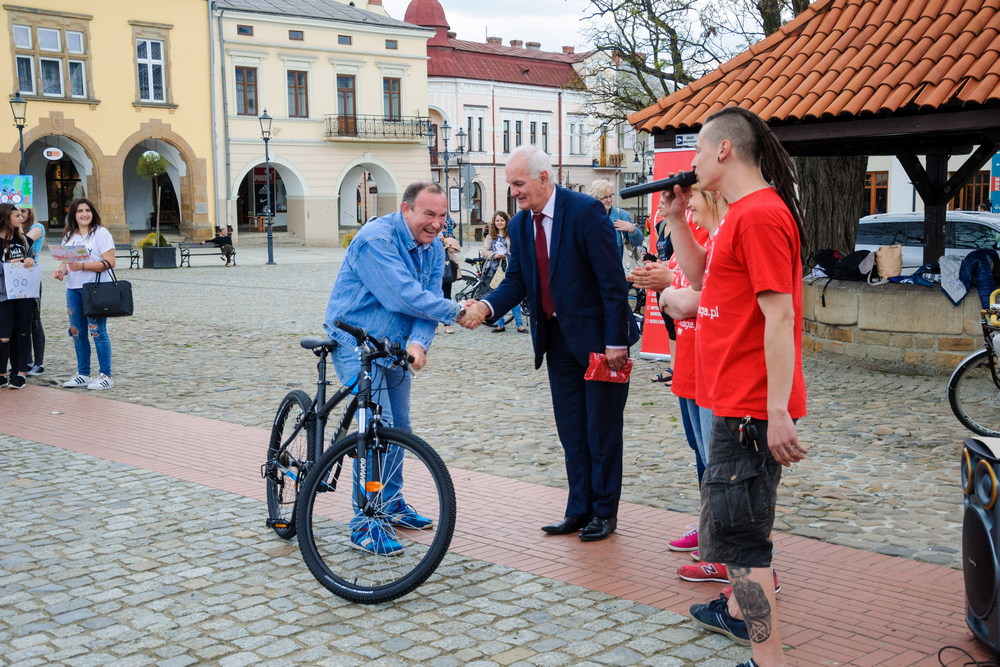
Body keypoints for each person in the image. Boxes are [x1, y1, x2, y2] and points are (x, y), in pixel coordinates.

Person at [663, 107, 808, 667]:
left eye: (698, 149)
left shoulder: (762, 217)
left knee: (746, 551)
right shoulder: (738, 218)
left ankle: (767, 661)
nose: (692, 162)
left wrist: (776, 410)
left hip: (750, 409)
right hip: (733, 399)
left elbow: (779, 317)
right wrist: (677, 219)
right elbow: (706, 283)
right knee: (736, 542)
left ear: (724, 150)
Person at [461, 145, 640, 541]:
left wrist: (615, 341)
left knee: (602, 430)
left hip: (600, 343)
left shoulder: (585, 212)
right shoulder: (523, 225)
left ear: (544, 178)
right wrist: (487, 308)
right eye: (510, 185)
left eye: (519, 184)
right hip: (556, 341)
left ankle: (604, 512)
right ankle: (578, 509)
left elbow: (611, 283)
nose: (515, 193)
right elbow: (517, 281)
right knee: (572, 430)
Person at [323, 181, 470, 555]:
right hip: (353, 342)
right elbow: (402, 295)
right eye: (429, 215)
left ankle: (391, 503)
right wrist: (458, 312)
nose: (437, 225)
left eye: (442, 217)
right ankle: (364, 523)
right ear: (407, 210)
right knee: (380, 427)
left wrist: (420, 342)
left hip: (395, 348)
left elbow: (428, 301)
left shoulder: (433, 247)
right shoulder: (377, 239)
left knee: (399, 429)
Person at [54, 198, 117, 391]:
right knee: (77, 332)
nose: (84, 214)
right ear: (73, 214)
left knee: (98, 332)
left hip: (95, 290)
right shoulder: (69, 236)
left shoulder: (101, 233)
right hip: (73, 289)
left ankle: (106, 375)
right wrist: (61, 271)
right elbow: (66, 262)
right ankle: (83, 373)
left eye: (87, 210)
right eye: (80, 211)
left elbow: (110, 262)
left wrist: (83, 265)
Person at [0, 204, 38, 389]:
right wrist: (7, 264)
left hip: (24, 293)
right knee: (4, 336)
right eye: (17, 215)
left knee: (23, 332)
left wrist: (29, 261)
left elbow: (31, 259)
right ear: (6, 217)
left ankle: (20, 373)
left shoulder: (23, 239)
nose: (21, 218)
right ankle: (1, 373)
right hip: (3, 295)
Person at [479, 210, 527, 333]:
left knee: (511, 295)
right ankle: (500, 324)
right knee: (498, 295)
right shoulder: (490, 236)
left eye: (502, 220)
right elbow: (484, 252)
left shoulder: (510, 235)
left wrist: (506, 255)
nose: (499, 223)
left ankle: (519, 324)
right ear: (494, 223)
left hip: (509, 268)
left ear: (506, 221)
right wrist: (494, 255)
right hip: (494, 270)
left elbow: (516, 251)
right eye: (497, 220)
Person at [589, 179, 643, 263]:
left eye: (610, 196)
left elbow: (638, 242)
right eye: (604, 197)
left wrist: (632, 229)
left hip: (615, 268)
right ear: (595, 198)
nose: (609, 200)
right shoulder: (587, 217)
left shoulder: (622, 215)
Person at [22, 208, 46, 376]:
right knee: (21, 320)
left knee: (34, 320)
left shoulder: (37, 227)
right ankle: (26, 361)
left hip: (31, 276)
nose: (20, 215)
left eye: (23, 211)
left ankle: (38, 363)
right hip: (14, 276)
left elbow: (25, 242)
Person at [440, 234, 461, 334]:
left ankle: (447, 323)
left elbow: (456, 249)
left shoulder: (443, 236)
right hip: (430, 273)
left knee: (447, 298)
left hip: (445, 273)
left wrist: (447, 243)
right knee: (432, 298)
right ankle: (433, 324)